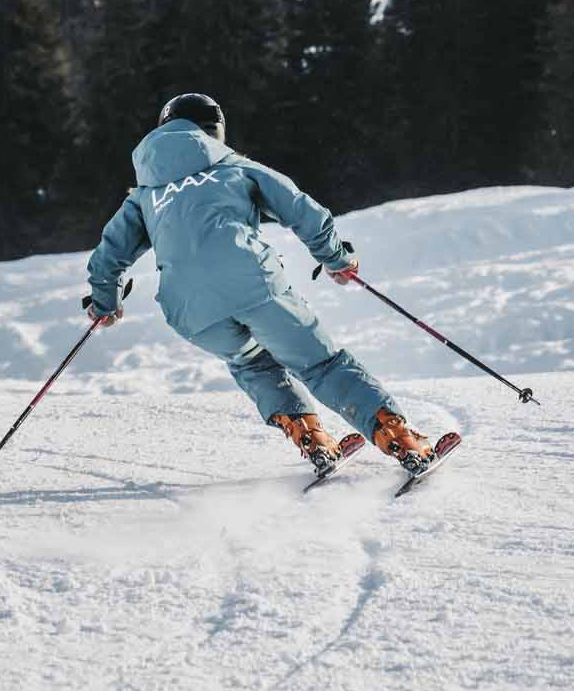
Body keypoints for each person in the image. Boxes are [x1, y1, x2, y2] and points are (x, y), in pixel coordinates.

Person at [84, 92, 436, 480]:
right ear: (213, 130)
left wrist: (105, 302)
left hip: (189, 312)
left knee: (250, 361)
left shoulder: (145, 195)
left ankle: (311, 438)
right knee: (320, 364)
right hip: (253, 285)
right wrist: (336, 259)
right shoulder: (233, 167)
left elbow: (108, 256)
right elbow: (302, 210)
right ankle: (400, 439)